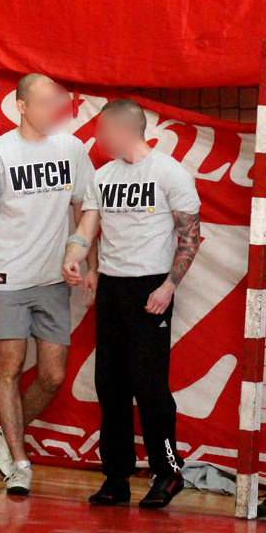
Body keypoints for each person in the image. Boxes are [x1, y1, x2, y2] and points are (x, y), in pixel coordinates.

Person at [0, 73, 96, 495]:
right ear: (21, 106)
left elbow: (86, 209)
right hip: (7, 279)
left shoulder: (72, 148)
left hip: (53, 279)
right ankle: (19, 462)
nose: (53, 109)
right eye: (44, 102)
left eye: (56, 101)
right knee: (10, 367)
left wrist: (88, 262)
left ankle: (7, 431)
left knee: (52, 375)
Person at [63, 98, 200, 509]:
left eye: (103, 130)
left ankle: (168, 472)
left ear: (126, 130)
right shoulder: (103, 175)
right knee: (110, 383)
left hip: (150, 287)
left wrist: (168, 287)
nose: (98, 138)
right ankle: (116, 475)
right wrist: (74, 254)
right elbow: (88, 226)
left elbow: (190, 237)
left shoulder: (169, 173)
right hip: (112, 286)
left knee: (149, 384)